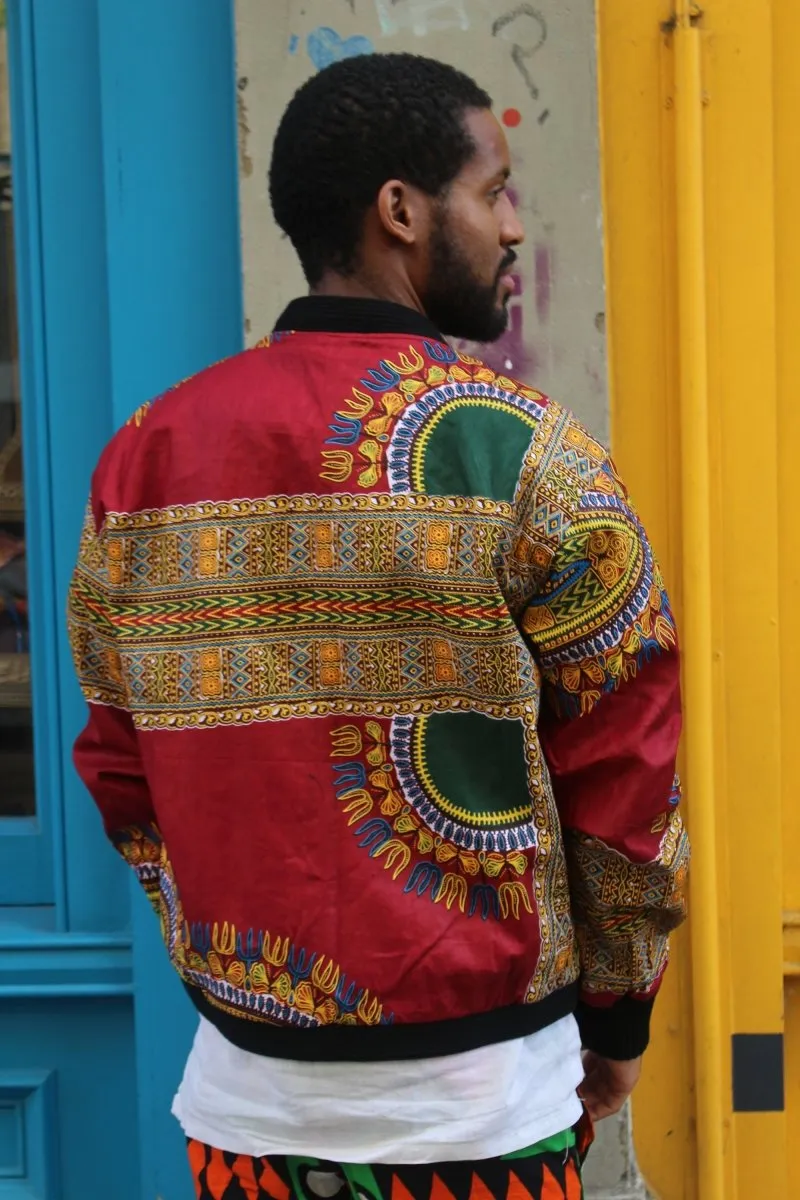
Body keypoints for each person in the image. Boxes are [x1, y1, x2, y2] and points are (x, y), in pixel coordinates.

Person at [68, 53, 688, 1200]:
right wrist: (617, 1015)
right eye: (492, 188)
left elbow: (119, 758)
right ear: (399, 211)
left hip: (245, 1111)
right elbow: (626, 765)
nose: (510, 226)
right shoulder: (528, 454)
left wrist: (234, 944)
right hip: (486, 1111)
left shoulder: (145, 454)